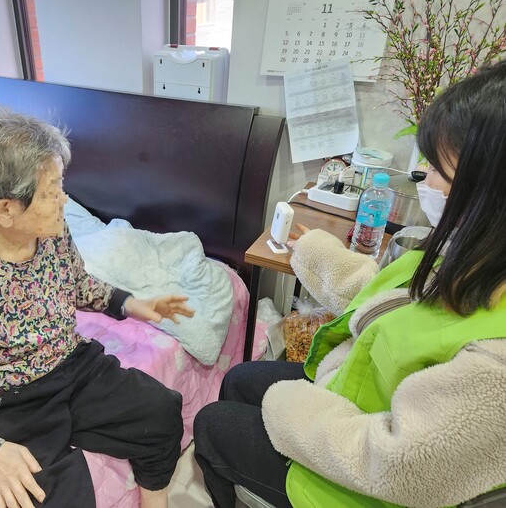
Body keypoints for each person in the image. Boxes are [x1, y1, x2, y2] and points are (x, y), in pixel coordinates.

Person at [193, 60, 506, 508]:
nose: (423, 177)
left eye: (440, 170)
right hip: (358, 394)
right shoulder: (478, 256)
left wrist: (289, 407)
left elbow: (397, 464)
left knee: (212, 424)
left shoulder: (494, 365)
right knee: (240, 380)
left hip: (368, 480)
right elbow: (390, 303)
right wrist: (313, 253)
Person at [0, 102, 195, 508]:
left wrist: (129, 303)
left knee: (160, 413)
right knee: (42, 495)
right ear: (5, 210)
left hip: (70, 367)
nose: (64, 200)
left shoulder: (50, 230)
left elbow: (73, 283)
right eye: (52, 191)